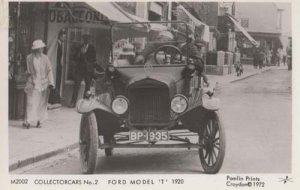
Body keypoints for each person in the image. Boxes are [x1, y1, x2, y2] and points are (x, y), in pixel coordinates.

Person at [23, 40, 55, 128]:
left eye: (42, 48)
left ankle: (39, 121)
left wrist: (51, 82)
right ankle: (28, 121)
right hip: (32, 82)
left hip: (43, 84)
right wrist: (27, 77)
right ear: (36, 49)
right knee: (30, 102)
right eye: (40, 48)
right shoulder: (29, 58)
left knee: (41, 103)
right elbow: (28, 70)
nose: (42, 49)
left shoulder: (45, 58)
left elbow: (49, 70)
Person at [69, 33, 96, 108]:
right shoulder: (79, 47)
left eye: (87, 39)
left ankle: (84, 104)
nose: (86, 40)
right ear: (83, 40)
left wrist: (87, 60)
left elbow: (94, 59)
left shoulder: (92, 48)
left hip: (88, 70)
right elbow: (75, 57)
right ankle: (73, 102)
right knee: (76, 85)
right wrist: (79, 55)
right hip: (80, 69)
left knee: (87, 87)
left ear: (89, 40)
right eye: (84, 39)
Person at [49, 30, 66, 105]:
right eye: (63, 37)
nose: (64, 39)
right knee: (55, 82)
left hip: (59, 67)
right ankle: (53, 100)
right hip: (56, 67)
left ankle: (56, 98)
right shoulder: (57, 45)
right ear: (60, 36)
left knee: (58, 82)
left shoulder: (60, 44)